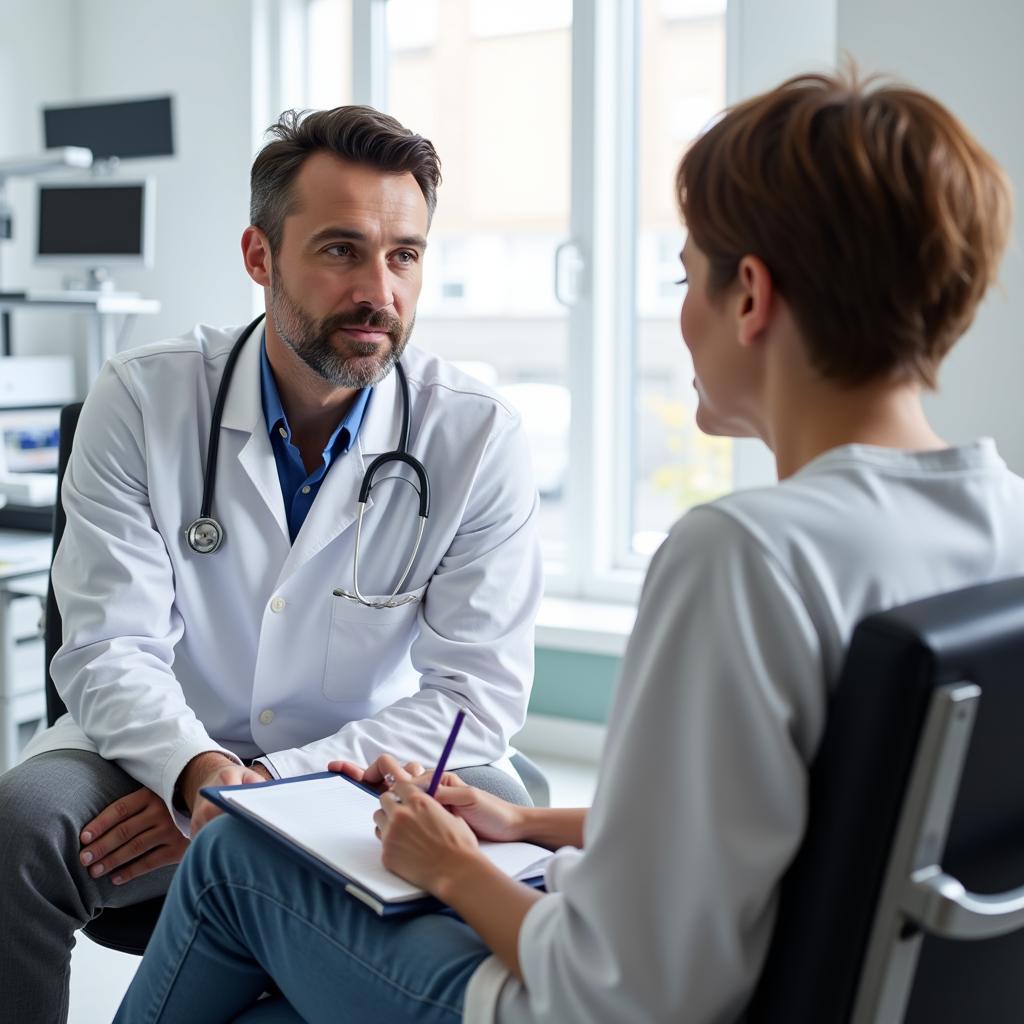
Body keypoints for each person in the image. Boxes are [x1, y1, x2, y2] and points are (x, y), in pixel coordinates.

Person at [114, 67, 1021, 1023]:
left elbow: (620, 988)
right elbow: (810, 822)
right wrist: (522, 823)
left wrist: (459, 873)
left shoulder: (746, 559)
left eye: (685, 275)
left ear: (749, 296)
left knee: (233, 860)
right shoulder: (999, 526)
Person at [0, 106, 543, 1023]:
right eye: (341, 250)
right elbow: (106, 646)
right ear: (260, 256)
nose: (381, 290)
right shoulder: (142, 399)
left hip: (364, 763)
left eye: (404, 255)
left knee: (497, 801)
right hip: (157, 758)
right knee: (22, 824)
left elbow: (476, 695)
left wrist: (265, 800)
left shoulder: (476, 435)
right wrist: (195, 777)